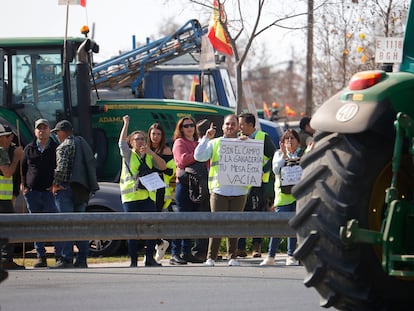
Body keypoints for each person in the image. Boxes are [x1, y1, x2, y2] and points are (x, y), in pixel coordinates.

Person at [194, 114, 249, 267]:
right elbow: (198, 156)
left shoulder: (245, 143)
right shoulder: (215, 143)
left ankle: (232, 257)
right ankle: (211, 257)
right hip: (219, 190)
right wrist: (206, 138)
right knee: (217, 223)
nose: (230, 127)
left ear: (238, 127)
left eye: (233, 124)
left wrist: (249, 143)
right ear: (223, 127)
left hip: (239, 191)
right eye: (227, 124)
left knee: (234, 225)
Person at [51, 120, 99, 269]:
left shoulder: (64, 146)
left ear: (64, 132)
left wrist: (55, 184)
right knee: (79, 226)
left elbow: (62, 169)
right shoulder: (83, 143)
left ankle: (66, 259)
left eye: (57, 132)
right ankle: (82, 259)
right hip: (82, 189)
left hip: (66, 190)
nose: (57, 135)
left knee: (66, 226)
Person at [119, 115, 166, 267]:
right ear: (131, 142)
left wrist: (151, 153)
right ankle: (133, 261)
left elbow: (163, 166)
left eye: (142, 139)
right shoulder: (128, 155)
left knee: (150, 229)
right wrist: (126, 123)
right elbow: (121, 143)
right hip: (131, 197)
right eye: (136, 139)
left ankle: (150, 259)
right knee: (132, 230)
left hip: (147, 197)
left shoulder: (148, 155)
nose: (140, 141)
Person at [21, 119, 62, 268]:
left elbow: (60, 168)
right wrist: (23, 186)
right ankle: (41, 256)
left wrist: (55, 185)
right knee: (36, 226)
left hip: (50, 193)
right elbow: (23, 169)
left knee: (53, 225)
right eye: (39, 128)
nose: (41, 131)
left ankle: (58, 255)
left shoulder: (55, 148)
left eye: (44, 128)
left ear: (49, 130)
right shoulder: (29, 148)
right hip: (32, 193)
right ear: (35, 131)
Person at [260, 129, 303, 266]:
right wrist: (284, 155)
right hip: (283, 197)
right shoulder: (278, 154)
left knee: (294, 227)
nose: (290, 141)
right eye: (287, 139)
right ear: (283, 142)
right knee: (279, 227)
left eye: (292, 138)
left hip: (298, 196)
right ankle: (271, 256)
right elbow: (276, 170)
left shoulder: (303, 154)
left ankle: (291, 255)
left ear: (298, 141)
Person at [237, 112, 276, 258]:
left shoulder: (263, 137)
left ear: (250, 125)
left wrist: (262, 170)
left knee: (256, 215)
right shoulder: (238, 138)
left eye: (241, 124)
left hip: (258, 184)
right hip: (241, 184)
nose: (239, 127)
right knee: (241, 215)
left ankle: (256, 247)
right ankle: (240, 248)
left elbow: (273, 157)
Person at [170, 116, 207, 265]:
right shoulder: (179, 142)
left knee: (191, 221)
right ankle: (175, 253)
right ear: (181, 128)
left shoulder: (198, 143)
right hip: (184, 186)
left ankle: (186, 252)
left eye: (192, 125)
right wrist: (198, 156)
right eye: (186, 126)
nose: (189, 128)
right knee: (181, 220)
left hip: (197, 186)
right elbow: (182, 160)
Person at [147, 122, 175, 262]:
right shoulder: (144, 148)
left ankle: (158, 244)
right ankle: (159, 243)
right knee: (146, 221)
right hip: (145, 189)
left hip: (159, 190)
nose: (156, 137)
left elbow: (169, 170)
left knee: (154, 220)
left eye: (158, 134)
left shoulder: (166, 150)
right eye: (153, 134)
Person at [0, 123, 25, 270]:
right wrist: (16, 158)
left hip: (5, 197)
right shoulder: (1, 152)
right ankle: (6, 259)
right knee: (9, 228)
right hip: (2, 200)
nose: (8, 140)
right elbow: (7, 173)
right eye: (6, 137)